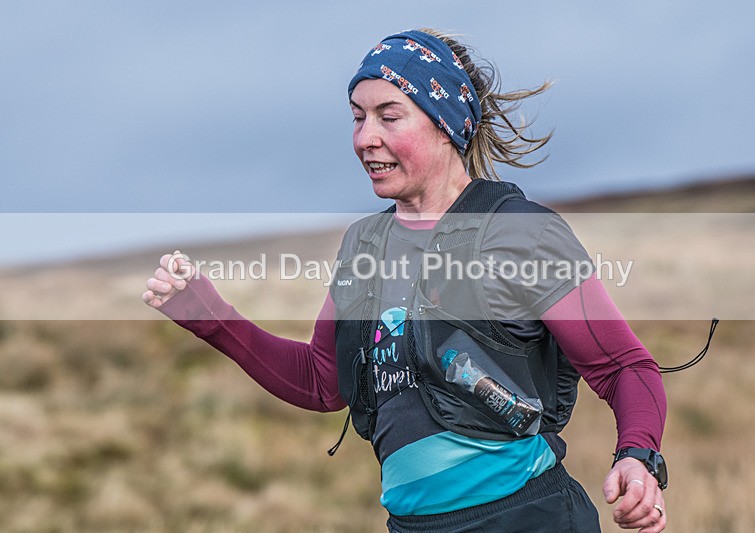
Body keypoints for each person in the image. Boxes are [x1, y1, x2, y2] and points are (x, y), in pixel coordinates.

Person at [143, 28, 667, 533]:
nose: (365, 138)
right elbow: (321, 382)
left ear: (446, 124)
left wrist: (638, 458)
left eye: (389, 116)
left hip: (529, 516)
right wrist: (209, 318)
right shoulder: (363, 248)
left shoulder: (518, 232)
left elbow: (623, 366)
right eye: (357, 118)